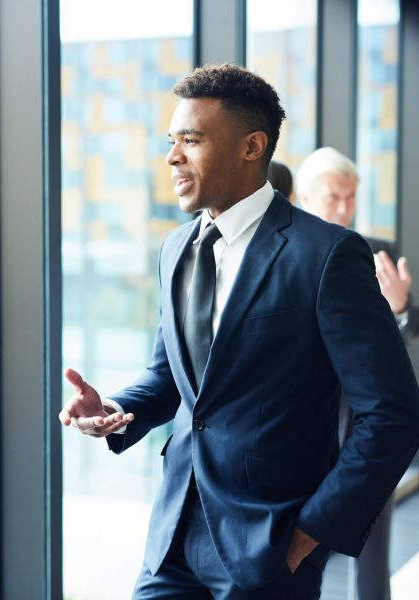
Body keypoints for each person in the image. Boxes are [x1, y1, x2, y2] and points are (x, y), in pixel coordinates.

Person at [59, 63, 419, 599]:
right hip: (173, 538)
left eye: (191, 139)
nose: (172, 156)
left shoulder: (326, 255)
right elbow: (171, 378)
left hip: (269, 546)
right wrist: (114, 409)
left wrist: (307, 536)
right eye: (171, 140)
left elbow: (391, 414)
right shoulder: (175, 249)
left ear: (252, 147)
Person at [297, 146, 419, 600]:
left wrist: (401, 309)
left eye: (351, 197)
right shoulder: (281, 251)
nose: (346, 208)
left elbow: (400, 339)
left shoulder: (376, 254)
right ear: (307, 197)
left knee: (372, 539)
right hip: (304, 416)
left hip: (364, 419)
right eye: (334, 197)